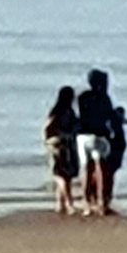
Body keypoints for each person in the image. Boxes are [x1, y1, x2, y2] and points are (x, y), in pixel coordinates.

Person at [76, 69, 118, 215]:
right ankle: (102, 203)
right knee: (101, 170)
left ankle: (87, 203)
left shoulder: (82, 97)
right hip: (99, 135)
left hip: (82, 136)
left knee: (86, 170)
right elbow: (109, 116)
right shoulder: (103, 98)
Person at [43, 86, 78, 216]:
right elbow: (49, 126)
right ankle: (69, 203)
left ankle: (60, 204)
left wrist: (47, 140)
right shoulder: (64, 111)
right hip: (62, 143)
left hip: (59, 143)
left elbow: (47, 127)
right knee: (63, 175)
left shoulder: (57, 110)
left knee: (61, 174)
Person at [105, 106, 127, 214]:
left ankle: (106, 199)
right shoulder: (114, 126)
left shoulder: (114, 124)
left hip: (117, 151)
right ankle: (106, 200)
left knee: (109, 175)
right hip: (114, 151)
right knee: (109, 176)